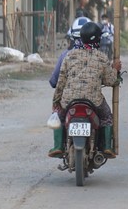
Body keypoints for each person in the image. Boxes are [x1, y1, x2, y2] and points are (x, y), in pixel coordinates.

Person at [51, 22, 122, 158]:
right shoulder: (101, 58)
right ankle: (107, 147)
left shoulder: (69, 56)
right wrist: (115, 69)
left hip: (69, 101)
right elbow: (111, 81)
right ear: (97, 40)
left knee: (59, 117)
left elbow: (60, 82)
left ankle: (58, 146)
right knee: (107, 117)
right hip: (94, 101)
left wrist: (56, 102)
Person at [49, 16, 89, 88]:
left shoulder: (65, 55)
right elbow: (111, 80)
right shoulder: (100, 57)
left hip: (68, 98)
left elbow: (53, 82)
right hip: (93, 99)